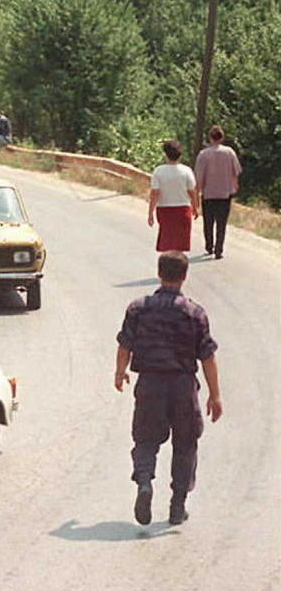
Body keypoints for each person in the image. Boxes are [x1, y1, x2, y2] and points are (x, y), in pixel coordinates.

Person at [115, 251, 222, 526]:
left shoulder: (138, 308)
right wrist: (215, 394)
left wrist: (120, 372)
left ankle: (144, 483)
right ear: (184, 276)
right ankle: (177, 505)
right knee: (186, 444)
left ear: (160, 273)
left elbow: (125, 343)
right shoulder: (194, 312)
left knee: (145, 439)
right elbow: (207, 356)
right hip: (182, 386)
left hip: (149, 384)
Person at [194, 125, 242, 259]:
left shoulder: (204, 154)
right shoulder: (230, 152)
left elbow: (199, 176)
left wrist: (197, 192)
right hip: (225, 193)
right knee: (222, 223)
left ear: (210, 138)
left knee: (208, 222)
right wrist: (235, 185)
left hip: (208, 193)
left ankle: (209, 246)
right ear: (222, 137)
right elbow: (235, 172)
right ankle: (219, 249)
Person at [148, 140, 199, 252]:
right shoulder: (186, 171)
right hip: (183, 210)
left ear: (165, 154)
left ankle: (167, 266)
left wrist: (150, 212)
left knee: (167, 242)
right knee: (180, 244)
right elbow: (192, 192)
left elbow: (155, 193)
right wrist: (195, 207)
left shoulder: (158, 171)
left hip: (164, 210)